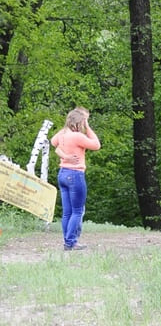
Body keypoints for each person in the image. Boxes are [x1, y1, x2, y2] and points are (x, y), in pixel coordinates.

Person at [50, 107, 101, 251]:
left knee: (67, 212)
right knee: (77, 211)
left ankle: (68, 241)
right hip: (75, 174)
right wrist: (88, 127)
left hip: (63, 174)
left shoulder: (63, 134)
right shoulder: (77, 136)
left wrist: (64, 155)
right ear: (80, 122)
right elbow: (96, 145)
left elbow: (53, 143)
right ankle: (70, 242)